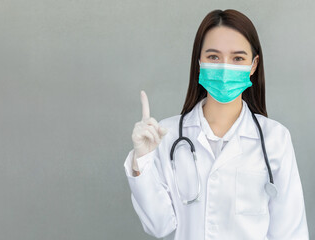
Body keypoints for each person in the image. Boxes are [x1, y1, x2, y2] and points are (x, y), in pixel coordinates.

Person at [123, 9, 309, 240]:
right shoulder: (167, 135)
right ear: (199, 61)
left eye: (238, 58)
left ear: (253, 65)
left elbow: (290, 232)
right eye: (213, 57)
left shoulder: (275, 138)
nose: (224, 68)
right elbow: (159, 226)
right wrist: (142, 159)